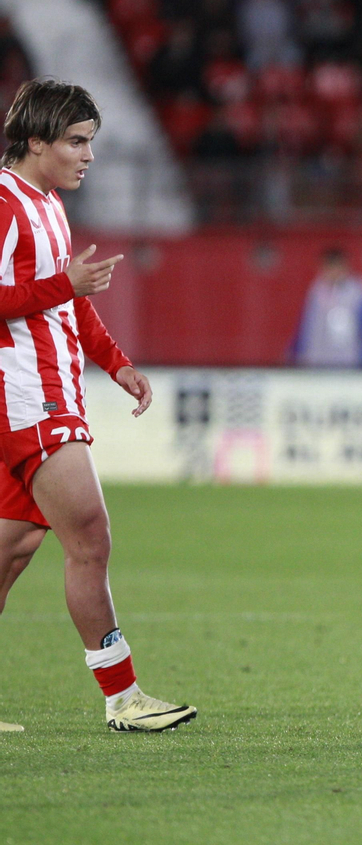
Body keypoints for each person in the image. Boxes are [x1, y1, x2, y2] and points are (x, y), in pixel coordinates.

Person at [0, 79, 196, 732]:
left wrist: (117, 362)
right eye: (77, 141)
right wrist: (63, 282)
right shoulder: (3, 204)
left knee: (14, 549)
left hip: (50, 395)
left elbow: (69, 300)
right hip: (26, 400)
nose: (88, 155)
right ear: (35, 141)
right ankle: (124, 698)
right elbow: (54, 290)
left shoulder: (46, 204)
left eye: (91, 142)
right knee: (89, 537)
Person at [289, 247, 362, 367]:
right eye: (328, 268)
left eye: (336, 267)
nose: (332, 272)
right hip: (316, 361)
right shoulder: (316, 290)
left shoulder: (359, 292)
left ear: (345, 267)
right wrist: (295, 352)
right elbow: (306, 325)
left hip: (348, 362)